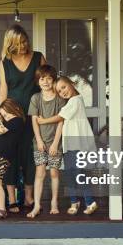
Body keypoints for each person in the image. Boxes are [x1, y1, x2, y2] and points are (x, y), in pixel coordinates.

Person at [0, 24, 46, 213]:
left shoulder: (38, 57)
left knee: (30, 156)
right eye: (19, 43)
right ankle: (11, 198)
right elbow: (3, 90)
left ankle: (28, 197)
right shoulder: (5, 62)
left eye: (25, 41)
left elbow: (46, 84)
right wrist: (1, 117)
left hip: (34, 115)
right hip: (12, 116)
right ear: (10, 44)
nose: (24, 46)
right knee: (11, 156)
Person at [36, 76, 98, 215]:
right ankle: (74, 201)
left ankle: (90, 201)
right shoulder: (70, 101)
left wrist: (43, 121)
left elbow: (60, 117)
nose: (62, 92)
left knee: (78, 173)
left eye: (64, 87)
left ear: (72, 83)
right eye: (59, 91)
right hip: (69, 145)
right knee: (69, 174)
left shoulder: (76, 100)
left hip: (77, 144)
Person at [27, 65, 65, 218]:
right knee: (40, 173)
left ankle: (54, 202)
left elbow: (61, 121)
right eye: (42, 79)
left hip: (55, 142)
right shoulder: (35, 98)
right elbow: (34, 121)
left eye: (49, 78)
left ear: (53, 80)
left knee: (54, 173)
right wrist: (39, 140)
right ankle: (36, 205)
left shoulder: (59, 99)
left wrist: (55, 143)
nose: (46, 82)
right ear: (38, 81)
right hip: (40, 143)